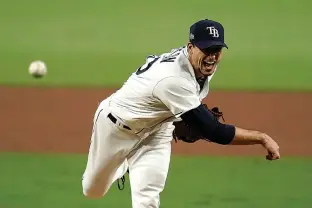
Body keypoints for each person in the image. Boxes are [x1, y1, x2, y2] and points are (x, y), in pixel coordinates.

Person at [81, 19, 280, 207]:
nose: (212, 56)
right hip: (116, 128)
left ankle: (132, 160)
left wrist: (181, 118)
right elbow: (213, 131)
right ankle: (123, 162)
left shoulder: (202, 65)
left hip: (157, 130)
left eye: (217, 49)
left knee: (147, 199)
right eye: (207, 49)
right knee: (93, 191)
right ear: (190, 47)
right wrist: (261, 138)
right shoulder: (173, 79)